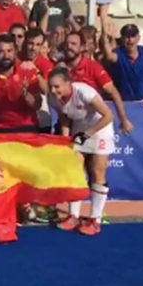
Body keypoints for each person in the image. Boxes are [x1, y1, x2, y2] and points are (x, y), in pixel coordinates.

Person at [47, 68, 115, 236]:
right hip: (79, 128)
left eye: (57, 86)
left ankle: (95, 219)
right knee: (75, 170)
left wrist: (88, 134)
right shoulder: (53, 98)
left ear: (68, 84)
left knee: (97, 171)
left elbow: (108, 115)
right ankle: (73, 216)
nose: (54, 91)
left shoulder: (85, 92)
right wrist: (65, 137)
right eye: (51, 87)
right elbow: (64, 117)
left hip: (100, 128)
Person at [62, 31, 134, 134]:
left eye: (73, 44)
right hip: (72, 122)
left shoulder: (93, 67)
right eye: (67, 43)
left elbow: (114, 93)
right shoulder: (60, 67)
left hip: (94, 123)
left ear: (82, 47)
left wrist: (123, 119)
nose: (69, 47)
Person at [0, 35, 42, 133]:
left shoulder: (27, 70)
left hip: (25, 125)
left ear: (15, 52)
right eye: (1, 51)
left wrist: (25, 94)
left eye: (9, 51)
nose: (6, 56)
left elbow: (37, 105)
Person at [100, 24, 143, 109]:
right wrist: (105, 35)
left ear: (138, 38)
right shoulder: (118, 53)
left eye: (133, 36)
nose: (130, 40)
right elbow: (109, 56)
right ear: (122, 39)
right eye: (127, 37)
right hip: (123, 104)